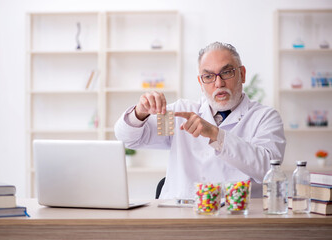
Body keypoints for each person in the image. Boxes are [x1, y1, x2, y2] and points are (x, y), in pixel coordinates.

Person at [114, 42, 286, 199]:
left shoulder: (265, 117)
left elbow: (268, 168)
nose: (219, 83)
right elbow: (128, 139)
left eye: (226, 72)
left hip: (236, 219)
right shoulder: (182, 112)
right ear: (200, 82)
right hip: (179, 218)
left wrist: (215, 134)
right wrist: (140, 112)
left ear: (242, 74)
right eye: (209, 76)